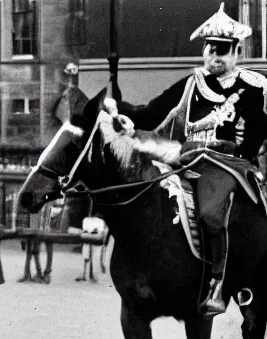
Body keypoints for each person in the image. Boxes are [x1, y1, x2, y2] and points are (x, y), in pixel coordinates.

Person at [105, 3, 267, 316]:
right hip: (186, 157)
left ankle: (222, 283)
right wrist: (120, 110)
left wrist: (244, 155)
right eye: (211, 49)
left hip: (226, 163)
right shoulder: (193, 82)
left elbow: (259, 128)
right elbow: (151, 112)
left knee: (209, 213)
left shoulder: (252, 85)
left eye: (223, 50)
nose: (215, 56)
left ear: (235, 52)